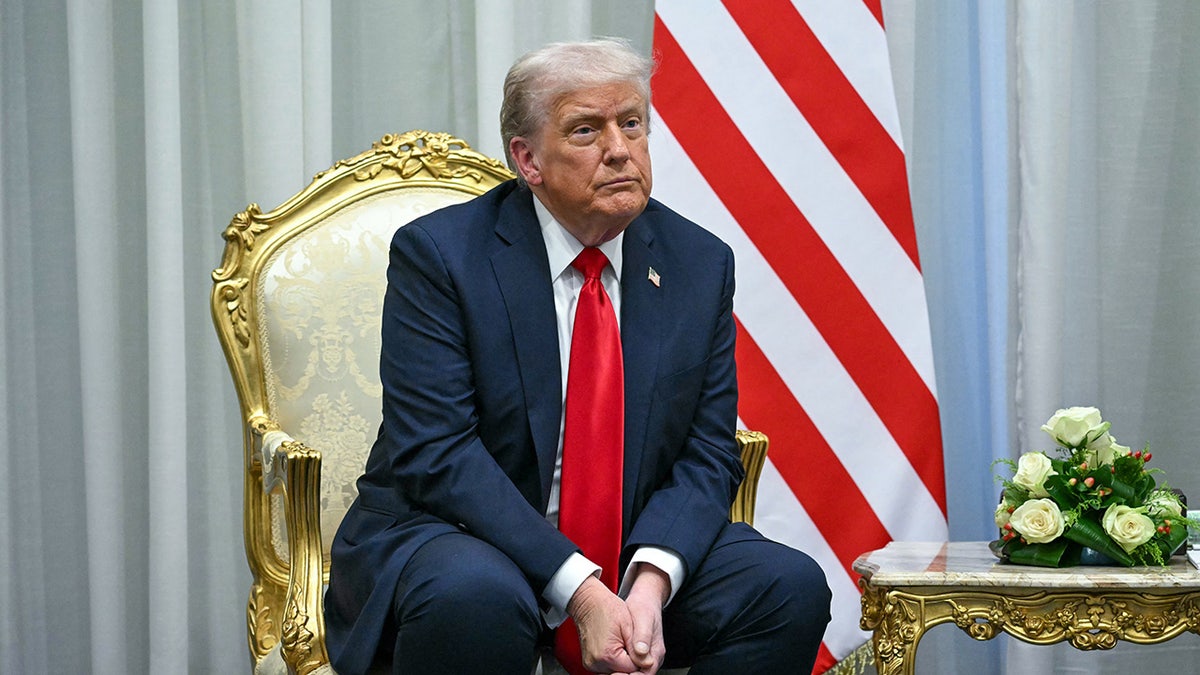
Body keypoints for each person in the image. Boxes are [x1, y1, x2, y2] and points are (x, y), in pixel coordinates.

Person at [324, 38, 831, 675]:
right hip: (465, 536)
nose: (619, 149)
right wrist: (582, 590)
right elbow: (437, 452)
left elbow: (709, 450)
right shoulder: (442, 257)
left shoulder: (698, 263)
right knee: (476, 596)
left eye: (632, 123)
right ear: (528, 159)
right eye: (586, 130)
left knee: (786, 586)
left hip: (630, 541)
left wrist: (649, 582)